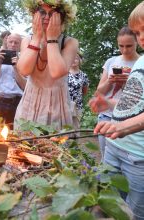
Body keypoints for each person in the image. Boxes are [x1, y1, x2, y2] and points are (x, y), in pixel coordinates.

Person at [91, 2, 144, 219]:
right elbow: (134, 103)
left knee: (132, 214)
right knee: (105, 205)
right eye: (138, 31)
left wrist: (122, 126)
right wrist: (110, 105)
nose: (141, 37)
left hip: (138, 158)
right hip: (114, 146)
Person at [14, 0, 78, 131]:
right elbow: (24, 70)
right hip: (29, 104)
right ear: (34, 15)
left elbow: (56, 72)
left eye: (53, 14)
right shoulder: (27, 40)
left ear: (62, 19)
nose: (47, 17)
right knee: (22, 147)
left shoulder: (70, 42)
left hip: (56, 106)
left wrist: (52, 39)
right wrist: (37, 38)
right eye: (42, 13)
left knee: (52, 149)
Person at [94, 26, 139, 160]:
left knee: (129, 156)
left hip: (131, 119)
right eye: (121, 46)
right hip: (107, 115)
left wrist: (127, 83)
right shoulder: (111, 62)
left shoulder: (140, 63)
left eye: (129, 46)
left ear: (137, 41)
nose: (125, 50)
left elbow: (138, 99)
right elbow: (99, 93)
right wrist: (110, 81)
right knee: (106, 156)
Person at [0, 33, 26, 128]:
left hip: (15, 103)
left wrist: (16, 67)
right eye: (11, 42)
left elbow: (24, 86)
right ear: (6, 42)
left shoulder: (23, 62)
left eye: (16, 43)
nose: (13, 44)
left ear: (20, 45)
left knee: (11, 134)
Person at [68, 52, 89, 132]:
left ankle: (75, 143)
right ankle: (62, 143)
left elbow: (85, 91)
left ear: (80, 60)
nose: (73, 60)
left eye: (76, 58)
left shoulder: (84, 75)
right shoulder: (63, 73)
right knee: (63, 126)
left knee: (76, 127)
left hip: (77, 105)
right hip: (64, 104)